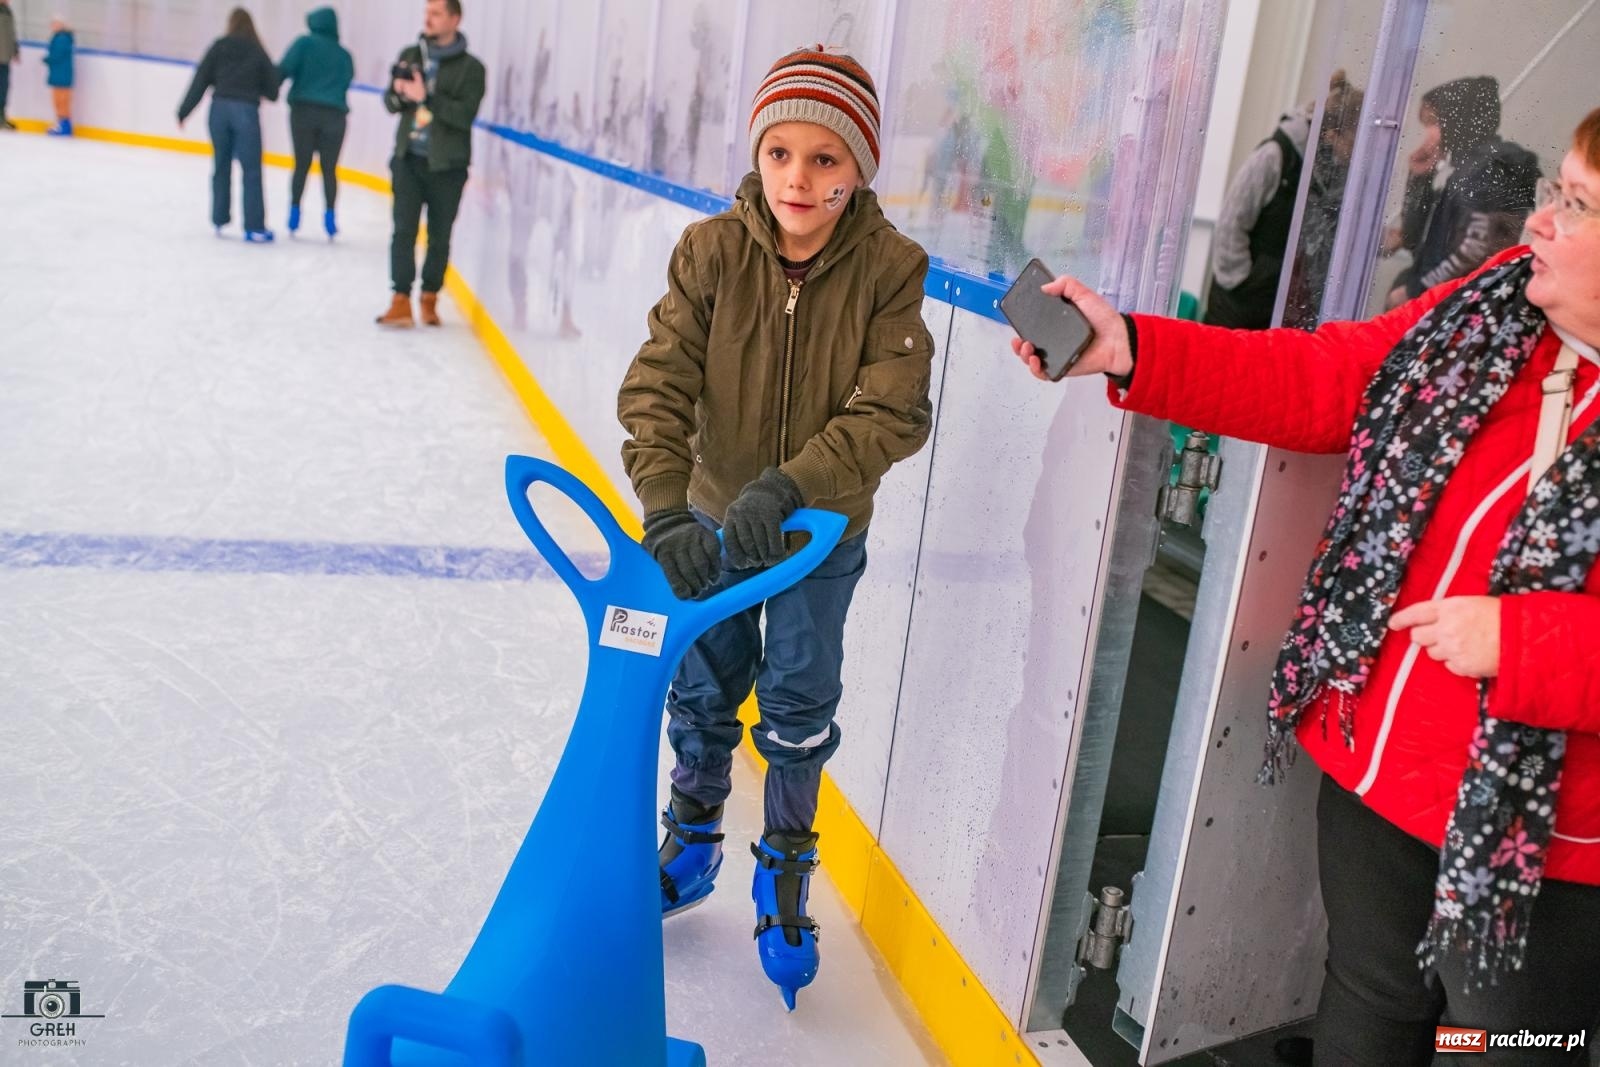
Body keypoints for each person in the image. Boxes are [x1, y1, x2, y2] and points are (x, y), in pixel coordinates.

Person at [1012, 107, 1600, 1065]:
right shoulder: (1493, 308)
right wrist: (1134, 348)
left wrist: (1526, 643)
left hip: (1549, 846)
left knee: (1510, 1045)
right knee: (1365, 1003)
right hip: (1387, 779)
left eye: (1575, 206)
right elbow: (1332, 378)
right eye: (1553, 192)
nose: (1537, 222)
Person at [618, 46, 934, 1010]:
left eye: (827, 160)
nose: (800, 178)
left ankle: (787, 862)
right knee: (706, 684)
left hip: (817, 535)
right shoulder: (710, 252)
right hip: (714, 522)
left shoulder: (891, 268)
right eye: (782, 153)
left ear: (860, 169)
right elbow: (659, 382)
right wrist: (667, 501)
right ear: (757, 156)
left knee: (799, 700)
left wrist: (790, 487)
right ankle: (696, 831)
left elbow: (891, 411)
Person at [375, 0, 485, 329]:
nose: (429, 19)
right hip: (408, 159)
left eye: (436, 13)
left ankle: (429, 298)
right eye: (427, 13)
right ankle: (400, 300)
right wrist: (399, 94)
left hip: (447, 166)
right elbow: (390, 102)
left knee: (439, 235)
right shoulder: (412, 53)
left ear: (455, 19)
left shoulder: (471, 68)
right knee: (403, 231)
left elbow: (464, 116)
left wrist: (426, 97)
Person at [1386, 76, 1541, 308]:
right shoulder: (1467, 168)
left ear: (1456, 121)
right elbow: (1412, 237)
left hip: (1459, 302)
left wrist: (1415, 291)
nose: (1427, 134)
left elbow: (1473, 251)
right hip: (1449, 295)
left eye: (1432, 123)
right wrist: (1419, 179)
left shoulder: (1485, 171)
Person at [1204, 102, 1314, 329]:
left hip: (1271, 302)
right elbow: (1231, 221)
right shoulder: (1273, 156)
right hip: (1237, 300)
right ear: (1332, 134)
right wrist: (1242, 281)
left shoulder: (1317, 169)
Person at [177, 8, 280, 243]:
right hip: (246, 110)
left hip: (219, 110)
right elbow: (273, 90)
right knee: (251, 170)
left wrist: (184, 111)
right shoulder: (257, 50)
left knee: (221, 164)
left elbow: (200, 79)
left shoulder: (219, 46)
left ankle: (219, 217)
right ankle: (254, 226)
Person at [276, 6, 353, 239]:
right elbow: (347, 79)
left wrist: (266, 87)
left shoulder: (303, 44)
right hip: (335, 117)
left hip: (303, 113)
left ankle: (294, 211)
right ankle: (330, 216)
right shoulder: (344, 55)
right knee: (329, 169)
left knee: (302, 164)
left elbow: (283, 70)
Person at [43, 15, 72, 137]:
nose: (53, 26)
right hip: (59, 74)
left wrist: (47, 59)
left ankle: (64, 125)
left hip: (61, 74)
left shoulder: (62, 38)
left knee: (61, 100)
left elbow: (57, 55)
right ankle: (61, 123)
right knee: (58, 99)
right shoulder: (60, 37)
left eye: (55, 23)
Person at [0, 1, 18, 132]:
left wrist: (15, 50)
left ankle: (2, 117)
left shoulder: (7, 11)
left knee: (4, 87)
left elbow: (12, 32)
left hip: (5, 57)